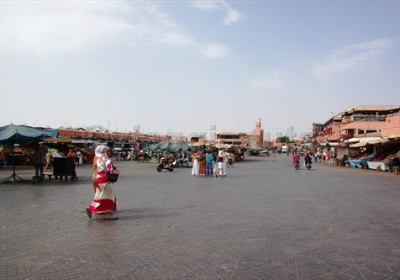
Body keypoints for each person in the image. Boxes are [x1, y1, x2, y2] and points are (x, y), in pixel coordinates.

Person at [86, 145, 119, 220]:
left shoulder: (97, 159)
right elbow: (109, 170)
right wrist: (116, 171)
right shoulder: (107, 160)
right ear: (104, 151)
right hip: (104, 179)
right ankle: (107, 214)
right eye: (108, 150)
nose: (109, 152)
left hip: (97, 178)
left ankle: (91, 208)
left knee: (99, 195)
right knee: (109, 197)